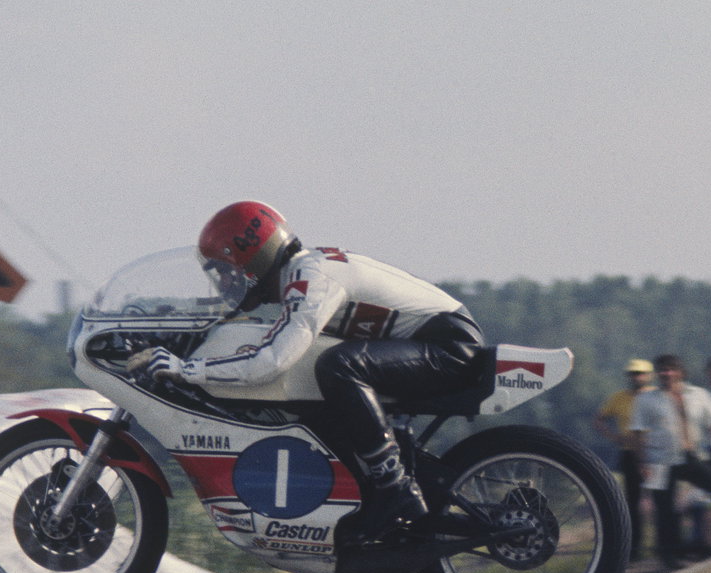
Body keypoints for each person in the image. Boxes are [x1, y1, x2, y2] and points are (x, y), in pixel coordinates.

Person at [132, 201, 485, 542]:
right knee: (320, 380)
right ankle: (368, 489)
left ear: (251, 258)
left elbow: (271, 361)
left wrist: (188, 370)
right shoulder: (298, 274)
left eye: (226, 271)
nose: (224, 283)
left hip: (448, 345)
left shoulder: (309, 279)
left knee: (339, 366)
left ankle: (395, 489)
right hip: (430, 341)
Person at [630, 355, 711, 570]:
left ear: (680, 372)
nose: (666, 374)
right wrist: (641, 461)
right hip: (659, 459)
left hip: (690, 455)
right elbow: (637, 432)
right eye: (662, 370)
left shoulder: (698, 395)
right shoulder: (646, 399)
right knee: (664, 509)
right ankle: (670, 557)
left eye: (670, 369)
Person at [593, 359, 656, 560]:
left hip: (656, 451)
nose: (637, 377)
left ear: (649, 375)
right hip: (630, 451)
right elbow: (599, 419)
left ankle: (665, 546)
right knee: (633, 502)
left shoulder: (657, 396)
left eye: (640, 373)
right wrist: (614, 437)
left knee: (663, 500)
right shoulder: (619, 398)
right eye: (633, 374)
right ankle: (635, 549)